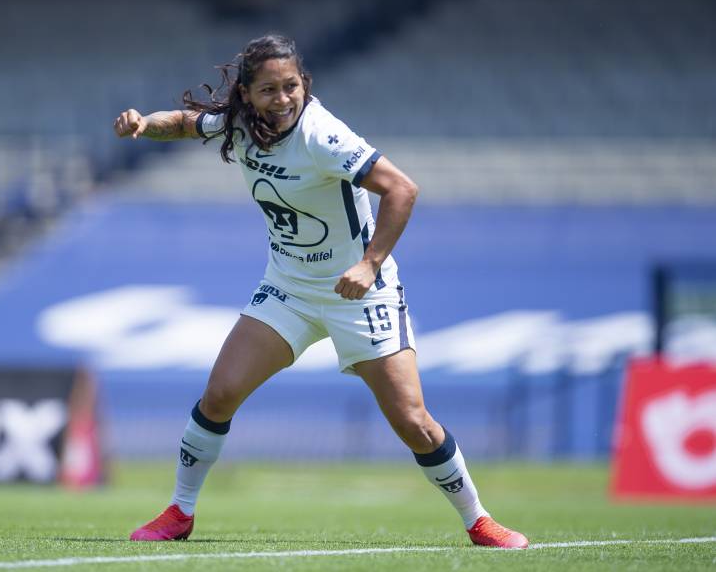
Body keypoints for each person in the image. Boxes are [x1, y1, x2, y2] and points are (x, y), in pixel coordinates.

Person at [113, 34, 528, 549]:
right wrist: (143, 124)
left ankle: (479, 520)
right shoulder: (239, 122)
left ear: (304, 84)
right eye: (269, 89)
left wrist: (369, 263)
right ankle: (179, 512)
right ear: (245, 94)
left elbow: (403, 189)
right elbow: (182, 122)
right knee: (219, 395)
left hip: (361, 291)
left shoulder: (322, 135)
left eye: (291, 86)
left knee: (412, 421)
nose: (283, 99)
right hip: (289, 286)